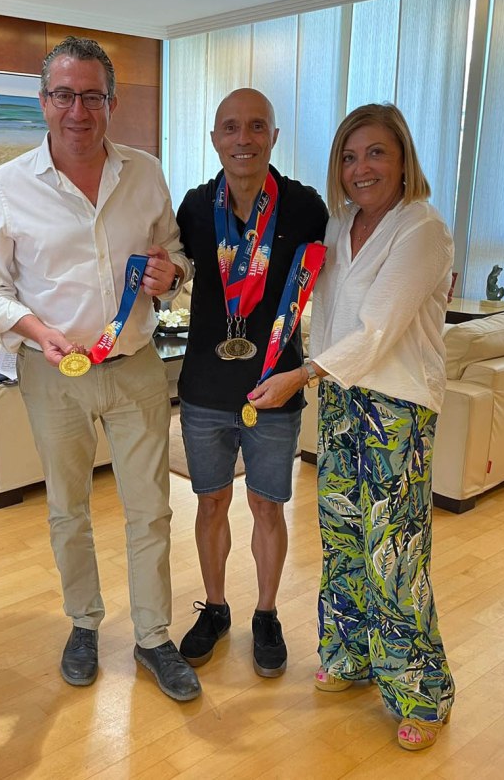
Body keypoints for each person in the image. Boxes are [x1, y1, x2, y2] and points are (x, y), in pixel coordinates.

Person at [0, 36, 200, 702]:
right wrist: (36, 331)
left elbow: (176, 256)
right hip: (54, 373)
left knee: (150, 508)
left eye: (92, 97)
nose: (79, 111)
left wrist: (171, 275)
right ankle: (83, 622)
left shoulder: (145, 172)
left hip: (135, 367)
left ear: (112, 103)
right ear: (43, 101)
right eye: (64, 95)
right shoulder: (6, 185)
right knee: (68, 508)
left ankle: (153, 636)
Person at [263, 102, 456, 750]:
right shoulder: (341, 224)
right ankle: (351, 655)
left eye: (375, 153)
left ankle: (422, 692)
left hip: (397, 406)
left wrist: (299, 375)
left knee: (393, 550)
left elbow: (378, 329)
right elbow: (322, 310)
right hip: (342, 399)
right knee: (343, 534)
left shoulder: (422, 229)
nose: (360, 167)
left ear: (402, 160)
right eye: (349, 157)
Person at [174, 88, 328, 677]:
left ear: (274, 137)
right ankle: (215, 608)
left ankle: (266, 614)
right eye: (231, 127)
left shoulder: (304, 207)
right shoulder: (194, 208)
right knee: (211, 501)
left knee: (267, 505)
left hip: (276, 387)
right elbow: (172, 271)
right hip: (204, 389)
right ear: (215, 138)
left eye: (257, 126)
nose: (244, 139)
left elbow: (340, 274)